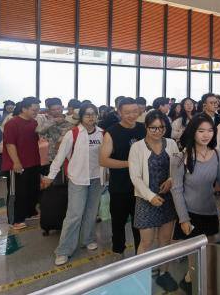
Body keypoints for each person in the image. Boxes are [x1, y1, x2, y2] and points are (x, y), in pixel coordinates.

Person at [171, 113, 220, 291]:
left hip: (210, 212)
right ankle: (193, 284)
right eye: (201, 131)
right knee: (194, 259)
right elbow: (176, 190)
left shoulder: (216, 154)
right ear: (193, 132)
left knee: (209, 253)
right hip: (190, 214)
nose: (206, 135)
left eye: (210, 131)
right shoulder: (180, 157)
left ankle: (194, 282)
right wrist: (183, 219)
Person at [42, 103, 104, 266]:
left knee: (91, 212)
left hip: (96, 178)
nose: (91, 117)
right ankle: (63, 250)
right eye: (87, 114)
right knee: (74, 214)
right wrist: (50, 176)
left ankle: (88, 239)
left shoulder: (102, 133)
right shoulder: (73, 133)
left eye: (93, 114)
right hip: (78, 179)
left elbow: (105, 156)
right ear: (81, 116)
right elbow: (60, 156)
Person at [128, 111, 179, 291]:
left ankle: (164, 273)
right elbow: (135, 177)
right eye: (153, 128)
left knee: (165, 240)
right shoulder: (137, 147)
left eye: (161, 128)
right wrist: (150, 196)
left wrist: (171, 180)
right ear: (146, 127)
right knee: (146, 242)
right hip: (146, 199)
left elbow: (177, 168)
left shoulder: (171, 144)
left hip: (168, 199)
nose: (158, 131)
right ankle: (140, 276)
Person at [99, 97, 145, 256]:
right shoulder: (112, 132)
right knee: (118, 222)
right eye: (127, 112)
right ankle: (118, 251)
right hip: (120, 186)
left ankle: (140, 255)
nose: (132, 115)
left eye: (135, 111)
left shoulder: (143, 128)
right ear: (119, 112)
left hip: (141, 187)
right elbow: (103, 160)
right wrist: (129, 164)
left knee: (140, 224)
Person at [2, 97, 41, 229]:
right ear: (24, 109)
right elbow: (10, 144)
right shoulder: (12, 123)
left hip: (33, 162)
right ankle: (15, 220)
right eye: (34, 110)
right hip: (18, 165)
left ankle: (30, 212)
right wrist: (16, 162)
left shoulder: (34, 123)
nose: (36, 112)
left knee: (31, 190)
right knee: (17, 193)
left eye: (37, 109)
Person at [0, 100, 15, 169]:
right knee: (1, 161)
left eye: (12, 107)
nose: (10, 109)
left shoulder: (16, 114)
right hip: (0, 138)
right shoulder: (0, 113)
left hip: (12, 138)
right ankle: (2, 174)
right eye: (8, 107)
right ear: (5, 107)